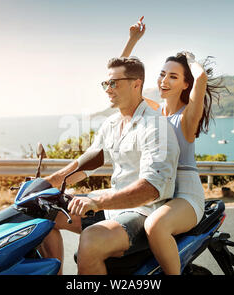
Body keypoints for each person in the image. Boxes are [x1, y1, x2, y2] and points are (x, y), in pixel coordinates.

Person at [40, 56, 180, 275]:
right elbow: (86, 163)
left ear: (136, 84)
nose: (108, 89)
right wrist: (47, 183)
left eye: (114, 83)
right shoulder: (112, 124)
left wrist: (97, 201)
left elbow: (151, 188)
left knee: (91, 239)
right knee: (44, 215)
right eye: (106, 83)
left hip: (142, 212)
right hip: (113, 207)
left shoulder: (155, 127)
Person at [120, 17, 226, 274]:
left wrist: (188, 58)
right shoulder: (154, 113)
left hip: (185, 197)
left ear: (185, 84)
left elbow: (200, 80)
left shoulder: (187, 117)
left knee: (156, 226)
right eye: (162, 74)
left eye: (173, 76)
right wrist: (132, 40)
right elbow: (121, 83)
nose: (164, 81)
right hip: (157, 191)